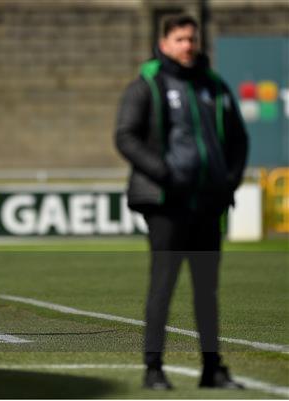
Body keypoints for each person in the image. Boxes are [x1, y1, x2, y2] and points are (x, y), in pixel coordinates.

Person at [115, 15, 248, 390]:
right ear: (165, 42)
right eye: (179, 39)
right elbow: (126, 136)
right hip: (166, 203)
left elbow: (238, 138)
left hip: (208, 203)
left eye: (192, 38)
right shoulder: (148, 85)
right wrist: (166, 173)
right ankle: (153, 369)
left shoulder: (214, 86)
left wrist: (228, 181)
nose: (187, 45)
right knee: (163, 285)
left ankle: (212, 369)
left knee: (207, 290)